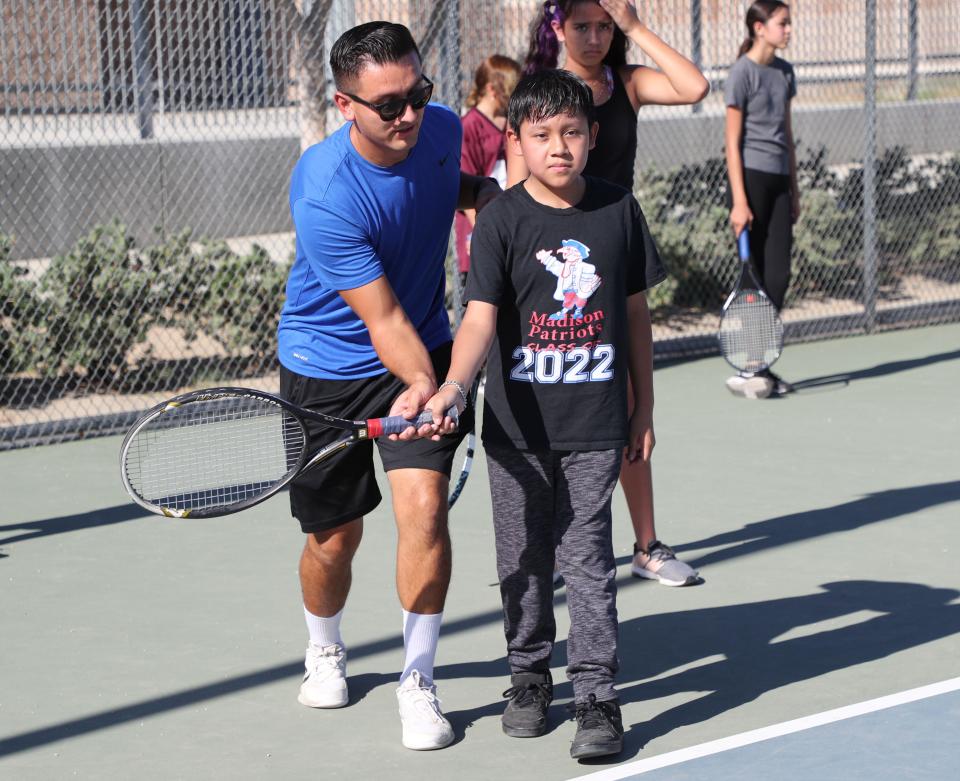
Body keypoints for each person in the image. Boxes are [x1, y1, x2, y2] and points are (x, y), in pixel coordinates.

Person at [426, 69, 667, 760]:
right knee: (522, 560)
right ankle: (529, 676)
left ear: (594, 137)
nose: (558, 146)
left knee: (588, 559)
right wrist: (452, 386)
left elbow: (635, 317)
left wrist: (642, 403)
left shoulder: (618, 209)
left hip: (595, 424)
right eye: (542, 135)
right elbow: (478, 321)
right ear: (517, 142)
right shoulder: (500, 217)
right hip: (515, 432)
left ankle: (596, 692)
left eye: (572, 132)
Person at [279, 20, 498, 751]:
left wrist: (498, 208)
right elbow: (380, 320)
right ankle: (325, 647)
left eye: (417, 94)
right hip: (330, 369)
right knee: (334, 539)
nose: (408, 115)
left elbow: (458, 185)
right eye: (387, 106)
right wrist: (438, 386)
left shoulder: (437, 130)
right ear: (345, 107)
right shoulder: (325, 190)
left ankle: (418, 680)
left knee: (425, 510)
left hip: (424, 345)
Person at [515, 0, 708, 587]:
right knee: (551, 397)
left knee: (628, 401)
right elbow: (515, 174)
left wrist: (634, 26)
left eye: (604, 26)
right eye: (583, 26)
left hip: (613, 248)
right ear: (557, 28)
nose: (595, 37)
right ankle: (546, 549)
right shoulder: (543, 93)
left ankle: (647, 545)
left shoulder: (626, 83)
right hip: (556, 260)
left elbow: (694, 85)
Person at [724, 0, 799, 400]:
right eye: (782, 23)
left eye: (789, 23)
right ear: (759, 26)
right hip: (749, 182)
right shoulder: (742, 73)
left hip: (780, 181)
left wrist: (795, 189)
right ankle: (752, 369)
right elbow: (731, 144)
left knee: (779, 278)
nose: (788, 30)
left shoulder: (785, 73)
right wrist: (739, 200)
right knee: (755, 283)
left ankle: (759, 366)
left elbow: (787, 135)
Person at [455, 55, 522, 290]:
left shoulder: (512, 123)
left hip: (513, 227)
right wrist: (487, 232)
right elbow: (468, 192)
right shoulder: (469, 126)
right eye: (511, 90)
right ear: (492, 89)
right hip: (481, 232)